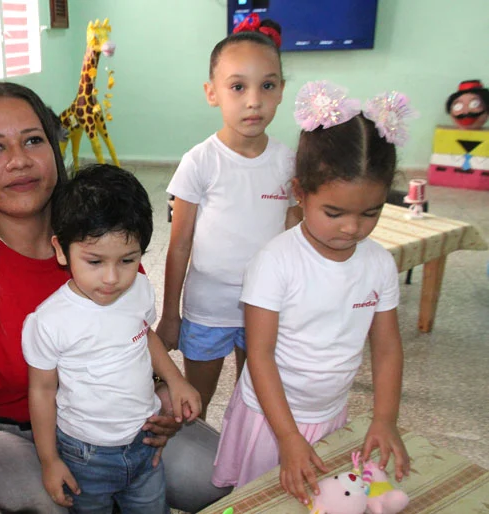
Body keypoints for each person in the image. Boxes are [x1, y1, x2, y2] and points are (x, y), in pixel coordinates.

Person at [0, 82, 231, 513]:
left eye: (32, 140)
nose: (19, 160)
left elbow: (135, 339)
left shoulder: (105, 245)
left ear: (54, 148)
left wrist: (162, 397)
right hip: (10, 434)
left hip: (111, 417)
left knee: (218, 474)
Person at [212, 81, 415, 504]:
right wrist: (286, 436)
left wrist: (385, 418)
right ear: (300, 193)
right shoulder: (276, 262)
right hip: (271, 418)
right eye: (335, 212)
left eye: (370, 213)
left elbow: (387, 347)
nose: (352, 228)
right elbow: (260, 354)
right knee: (266, 501)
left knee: (324, 502)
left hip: (329, 414)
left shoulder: (378, 264)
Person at [23, 164, 202, 512]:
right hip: (84, 455)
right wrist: (49, 460)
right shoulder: (49, 321)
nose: (112, 278)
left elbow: (144, 336)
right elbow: (42, 390)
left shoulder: (139, 290)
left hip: (145, 442)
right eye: (94, 261)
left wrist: (175, 380)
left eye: (127, 260)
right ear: (62, 250)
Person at [157, 15, 301, 420]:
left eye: (267, 85)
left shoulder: (289, 163)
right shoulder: (200, 162)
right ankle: (194, 469)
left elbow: (294, 237)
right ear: (212, 93)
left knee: (252, 402)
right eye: (238, 86)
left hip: (265, 307)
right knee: (193, 407)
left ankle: (242, 467)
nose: (253, 100)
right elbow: (180, 244)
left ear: (281, 92)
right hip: (207, 308)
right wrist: (171, 315)